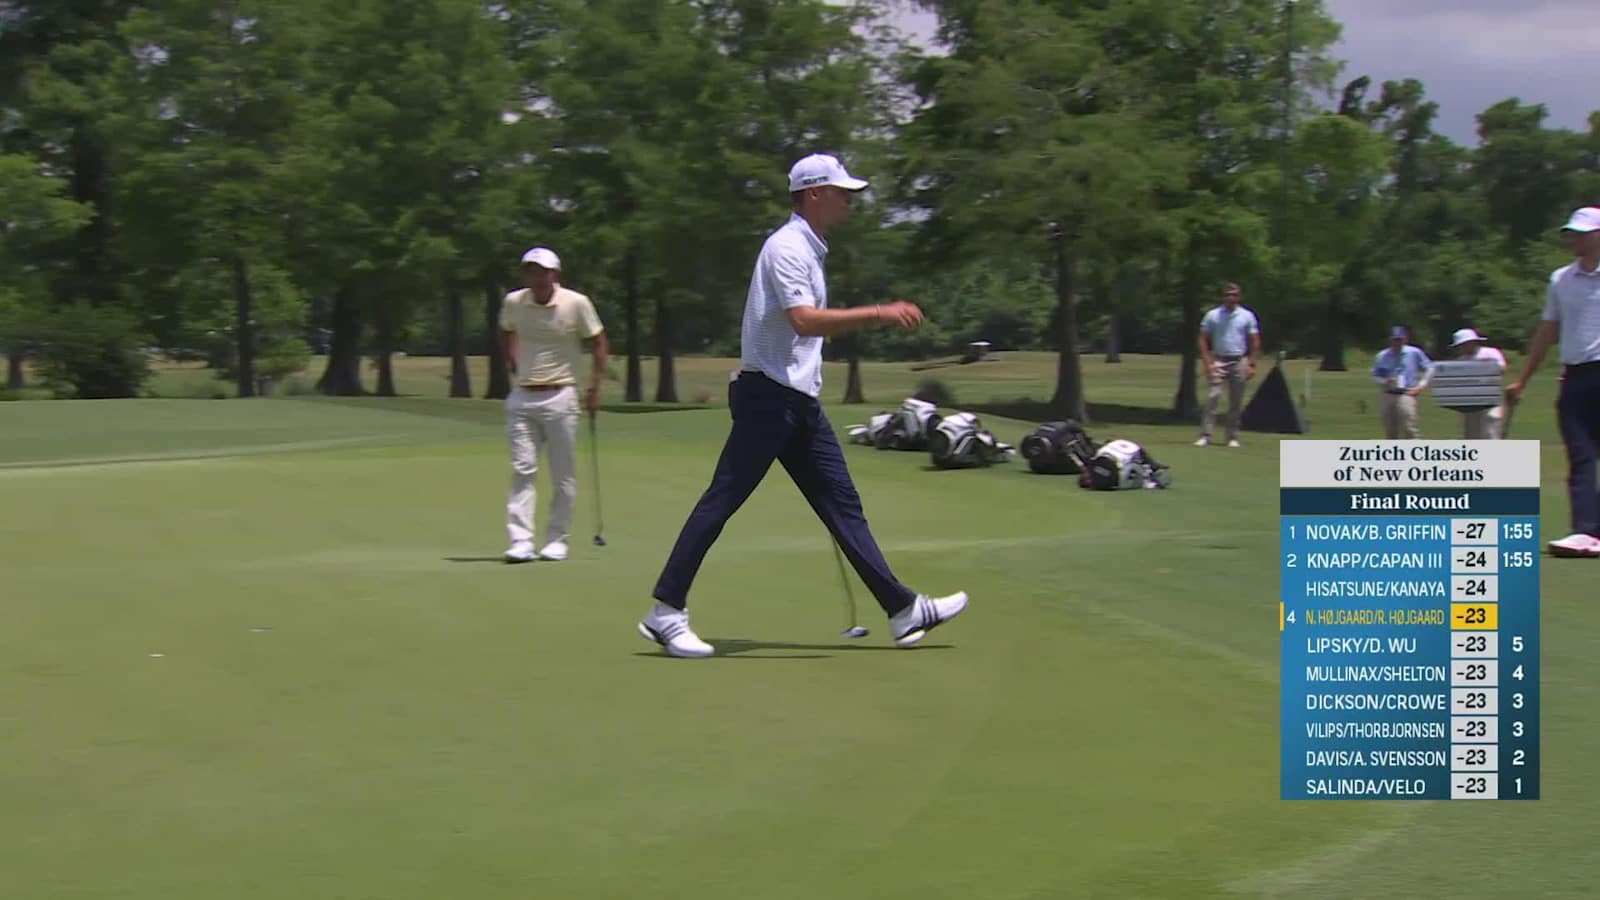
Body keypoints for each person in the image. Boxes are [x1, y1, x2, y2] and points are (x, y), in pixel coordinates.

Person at [638, 153, 969, 658]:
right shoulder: (786, 248)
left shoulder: (810, 249)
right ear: (814, 193)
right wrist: (881, 312)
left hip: (796, 401)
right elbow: (804, 320)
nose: (849, 200)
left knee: (843, 506)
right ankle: (665, 611)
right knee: (722, 500)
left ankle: (903, 611)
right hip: (768, 397)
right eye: (841, 191)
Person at [499, 247, 607, 563]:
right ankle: (521, 541)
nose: (535, 276)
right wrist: (512, 361)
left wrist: (595, 386)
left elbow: (599, 341)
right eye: (530, 270)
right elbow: (505, 331)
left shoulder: (576, 303)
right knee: (523, 469)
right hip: (522, 395)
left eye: (541, 271)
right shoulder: (514, 302)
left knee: (563, 474)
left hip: (560, 396)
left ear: (554, 274)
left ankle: (556, 539)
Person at [1505, 206, 1600, 558]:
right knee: (1581, 455)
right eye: (1572, 232)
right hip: (1574, 376)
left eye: (1583, 232)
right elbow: (1548, 330)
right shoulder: (1560, 279)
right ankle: (1586, 532)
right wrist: (1523, 379)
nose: (1575, 238)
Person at [1194, 282, 1261, 448]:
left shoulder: (1247, 316)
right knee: (1213, 397)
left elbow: (1255, 340)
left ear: (1239, 296)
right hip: (1219, 359)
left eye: (1234, 295)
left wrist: (1252, 363)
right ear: (1223, 297)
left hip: (1239, 360)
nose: (1231, 298)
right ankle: (1206, 435)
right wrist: (1207, 362)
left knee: (1236, 401)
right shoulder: (1213, 315)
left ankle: (1232, 436)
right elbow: (1203, 338)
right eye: (1228, 295)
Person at [1370, 325, 1434, 439]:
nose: (1397, 342)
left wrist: (1421, 385)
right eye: (1394, 340)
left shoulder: (1414, 352)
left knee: (1409, 428)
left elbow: (1430, 368)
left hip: (1407, 393)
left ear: (1405, 339)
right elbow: (1375, 375)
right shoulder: (1382, 356)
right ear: (1390, 340)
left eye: (1399, 339)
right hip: (1388, 393)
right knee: (1390, 430)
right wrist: (1384, 381)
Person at [1449, 327, 1507, 439]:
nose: (1462, 347)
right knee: (1472, 434)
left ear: (1473, 342)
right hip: (1471, 401)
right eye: (1460, 345)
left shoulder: (1490, 353)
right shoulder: (1461, 361)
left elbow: (1502, 370)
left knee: (1491, 429)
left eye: (1464, 344)